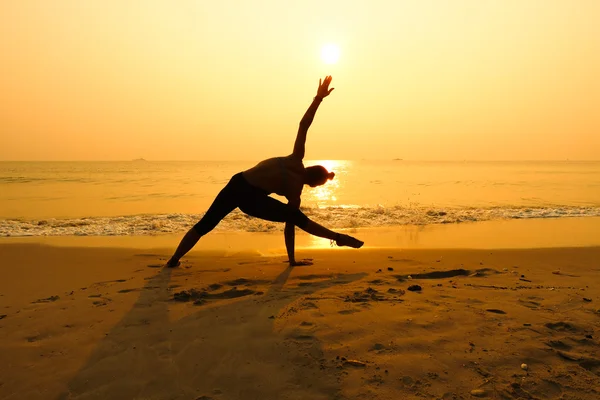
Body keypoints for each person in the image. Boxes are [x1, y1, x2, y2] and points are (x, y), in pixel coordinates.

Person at [165, 76, 363, 268]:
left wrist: (318, 98)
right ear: (313, 184)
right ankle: (337, 238)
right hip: (248, 196)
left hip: (239, 185)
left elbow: (304, 125)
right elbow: (291, 227)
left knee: (206, 224)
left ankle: (174, 258)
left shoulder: (295, 160)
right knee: (296, 217)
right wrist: (292, 259)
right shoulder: (295, 189)